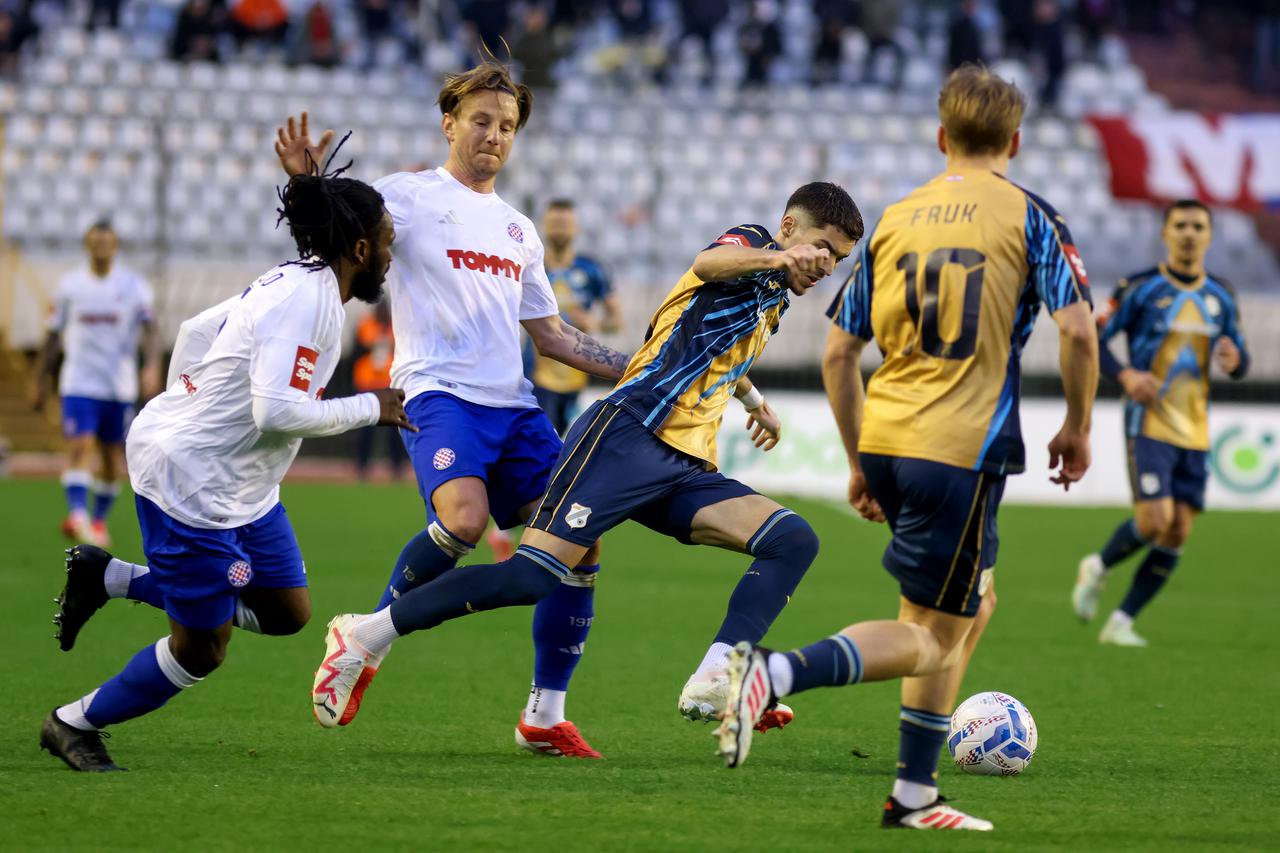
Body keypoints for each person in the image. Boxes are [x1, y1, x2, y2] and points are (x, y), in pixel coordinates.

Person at [312, 183, 863, 750]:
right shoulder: (753, 246)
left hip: (685, 462)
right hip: (625, 435)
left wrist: (755, 403)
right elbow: (708, 262)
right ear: (789, 229)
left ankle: (714, 676)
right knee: (530, 577)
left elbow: (695, 343)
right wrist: (778, 255)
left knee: (793, 540)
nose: (825, 264)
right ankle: (367, 632)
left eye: (838, 259)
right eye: (821, 247)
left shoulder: (774, 297)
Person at [714, 66, 1098, 832]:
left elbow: (837, 353)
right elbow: (1081, 330)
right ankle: (772, 672)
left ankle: (915, 793)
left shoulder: (896, 220)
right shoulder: (1030, 216)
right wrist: (1078, 425)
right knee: (931, 636)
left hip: (891, 435)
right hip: (961, 446)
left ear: (940, 136)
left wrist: (860, 460)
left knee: (970, 600)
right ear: (1016, 141)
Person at [274, 63, 632, 759]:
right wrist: (307, 186)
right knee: (464, 520)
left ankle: (543, 714)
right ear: (449, 122)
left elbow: (554, 337)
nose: (493, 135)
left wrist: (640, 364)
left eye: (506, 127)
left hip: (514, 405)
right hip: (437, 394)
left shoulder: (518, 230)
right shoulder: (405, 197)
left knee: (582, 542)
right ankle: (366, 638)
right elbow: (332, 236)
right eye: (480, 121)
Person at [40, 159, 411, 773]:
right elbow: (275, 412)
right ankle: (72, 722)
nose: (394, 256)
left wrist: (190, 400)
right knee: (202, 649)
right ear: (363, 247)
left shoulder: (302, 279)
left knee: (288, 611)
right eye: (390, 243)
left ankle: (105, 577)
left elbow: (194, 330)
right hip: (193, 486)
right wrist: (370, 406)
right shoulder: (308, 305)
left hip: (243, 482)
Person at [1072, 199, 1249, 647]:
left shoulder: (1222, 295)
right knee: (1154, 521)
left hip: (1196, 427)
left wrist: (1235, 359)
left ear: (1208, 235)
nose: (1189, 233)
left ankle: (1122, 622)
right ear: (1166, 233)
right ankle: (1098, 566)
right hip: (1148, 421)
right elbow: (1095, 336)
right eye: (1181, 225)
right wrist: (1127, 374)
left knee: (1179, 529)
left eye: (1198, 226)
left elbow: (1241, 355)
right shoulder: (1140, 287)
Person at [32, 220, 162, 548]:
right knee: (79, 446)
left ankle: (98, 521)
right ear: (87, 246)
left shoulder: (134, 286)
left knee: (109, 457)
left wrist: (151, 366)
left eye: (107, 243)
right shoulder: (70, 286)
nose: (101, 248)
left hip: (118, 387)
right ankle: (77, 516)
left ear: (115, 247)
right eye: (95, 243)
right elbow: (52, 335)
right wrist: (39, 378)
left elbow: (151, 330)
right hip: (78, 382)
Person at [529, 198, 621, 435]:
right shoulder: (531, 266)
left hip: (576, 376)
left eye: (565, 223)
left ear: (576, 228)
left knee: (566, 444)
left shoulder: (591, 269)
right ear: (544, 226)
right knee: (542, 441)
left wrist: (595, 323)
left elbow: (616, 321)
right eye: (555, 222)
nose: (560, 228)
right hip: (535, 375)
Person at [353, 300, 408, 480]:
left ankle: (397, 467)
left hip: (389, 384)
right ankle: (362, 466)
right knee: (366, 430)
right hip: (367, 384)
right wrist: (371, 346)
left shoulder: (396, 328)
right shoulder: (366, 325)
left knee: (394, 430)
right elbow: (356, 352)